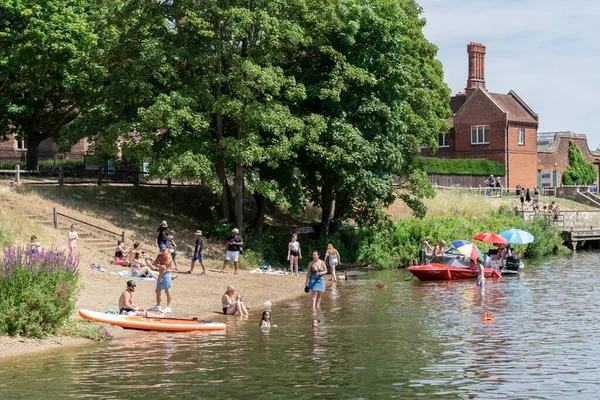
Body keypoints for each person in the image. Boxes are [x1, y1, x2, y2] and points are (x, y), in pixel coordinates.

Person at [148, 245, 176, 313]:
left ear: (166, 249)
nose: (163, 251)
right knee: (157, 291)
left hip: (166, 274)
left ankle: (168, 307)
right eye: (161, 250)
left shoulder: (168, 256)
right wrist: (160, 266)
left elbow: (165, 268)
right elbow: (155, 263)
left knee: (167, 291)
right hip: (160, 274)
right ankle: (158, 305)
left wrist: (160, 277)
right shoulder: (159, 255)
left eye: (164, 250)